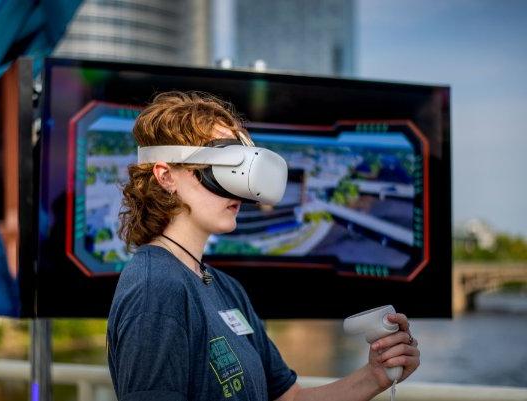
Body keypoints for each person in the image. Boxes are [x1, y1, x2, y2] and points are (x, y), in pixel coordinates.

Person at [107, 91, 420, 401]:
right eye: (223, 168)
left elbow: (290, 398)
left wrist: (374, 375)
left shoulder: (225, 288)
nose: (240, 191)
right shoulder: (155, 289)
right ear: (166, 176)